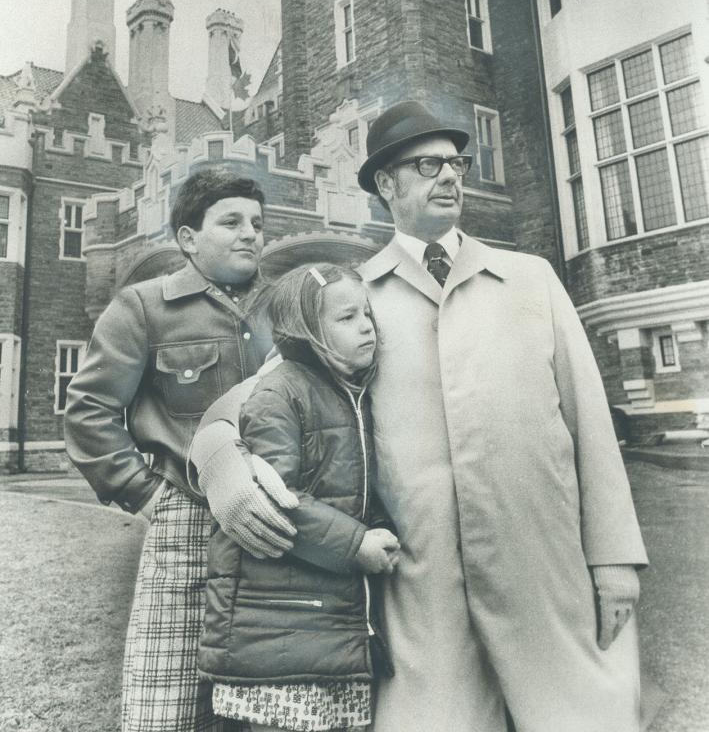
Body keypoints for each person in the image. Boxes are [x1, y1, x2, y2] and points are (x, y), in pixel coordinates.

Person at [353, 100, 648, 732]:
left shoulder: (530, 279)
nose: (451, 177)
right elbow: (277, 396)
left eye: (456, 163)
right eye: (427, 164)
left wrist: (615, 556)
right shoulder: (354, 297)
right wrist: (218, 451)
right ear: (387, 184)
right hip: (420, 582)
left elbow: (591, 423)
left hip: (544, 564)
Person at [64, 167, 298, 732]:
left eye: (257, 224)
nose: (250, 234)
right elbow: (90, 411)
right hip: (187, 522)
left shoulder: (286, 308)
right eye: (231, 222)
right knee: (163, 702)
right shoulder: (143, 307)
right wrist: (146, 495)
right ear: (188, 238)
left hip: (280, 527)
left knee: (274, 703)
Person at [192, 263, 399, 732]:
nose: (367, 325)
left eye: (367, 313)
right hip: (277, 632)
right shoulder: (281, 392)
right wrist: (356, 544)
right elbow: (275, 497)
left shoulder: (349, 392)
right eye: (347, 318)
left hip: (319, 629)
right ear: (307, 331)